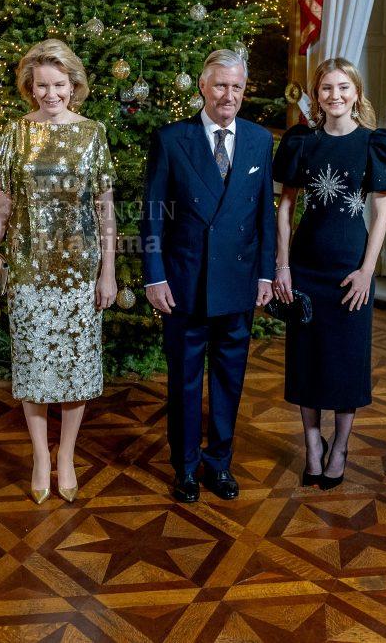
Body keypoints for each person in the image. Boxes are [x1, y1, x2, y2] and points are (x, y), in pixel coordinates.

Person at [0, 39, 117, 505]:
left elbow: (105, 210)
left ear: (74, 86)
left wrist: (108, 273)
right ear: (29, 87)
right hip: (28, 269)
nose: (50, 94)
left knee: (76, 370)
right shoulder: (16, 134)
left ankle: (67, 456)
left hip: (79, 271)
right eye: (42, 85)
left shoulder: (92, 133)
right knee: (34, 368)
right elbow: (2, 207)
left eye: (59, 84)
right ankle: (41, 456)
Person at [141, 49, 275, 503]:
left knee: (229, 379)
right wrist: (154, 276)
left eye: (237, 87)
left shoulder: (259, 140)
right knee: (183, 379)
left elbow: (264, 217)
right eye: (221, 85)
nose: (229, 95)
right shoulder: (171, 139)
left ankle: (219, 464)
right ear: (202, 87)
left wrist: (265, 275)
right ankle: (185, 467)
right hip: (183, 283)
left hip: (238, 284)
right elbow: (153, 215)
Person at [273, 57, 386, 489]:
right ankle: (313, 444)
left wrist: (368, 272)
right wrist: (283, 266)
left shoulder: (375, 143)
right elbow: (287, 207)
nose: (335, 96)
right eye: (327, 88)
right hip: (306, 268)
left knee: (347, 361)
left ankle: (341, 445)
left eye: (343, 88)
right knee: (307, 359)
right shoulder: (303, 142)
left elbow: (382, 213)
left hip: (351, 270)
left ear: (356, 93)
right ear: (317, 95)